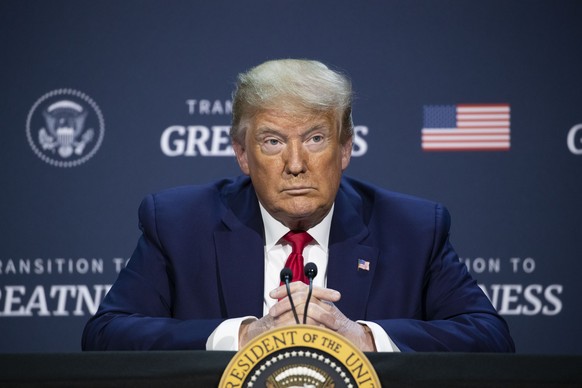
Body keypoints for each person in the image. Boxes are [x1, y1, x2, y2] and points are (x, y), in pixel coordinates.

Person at [82, 59, 514, 352]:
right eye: (272, 141)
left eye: (315, 139)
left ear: (345, 148)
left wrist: (361, 338)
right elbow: (105, 334)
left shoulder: (413, 228)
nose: (295, 164)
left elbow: (490, 337)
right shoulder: (178, 223)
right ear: (242, 154)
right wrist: (245, 335)